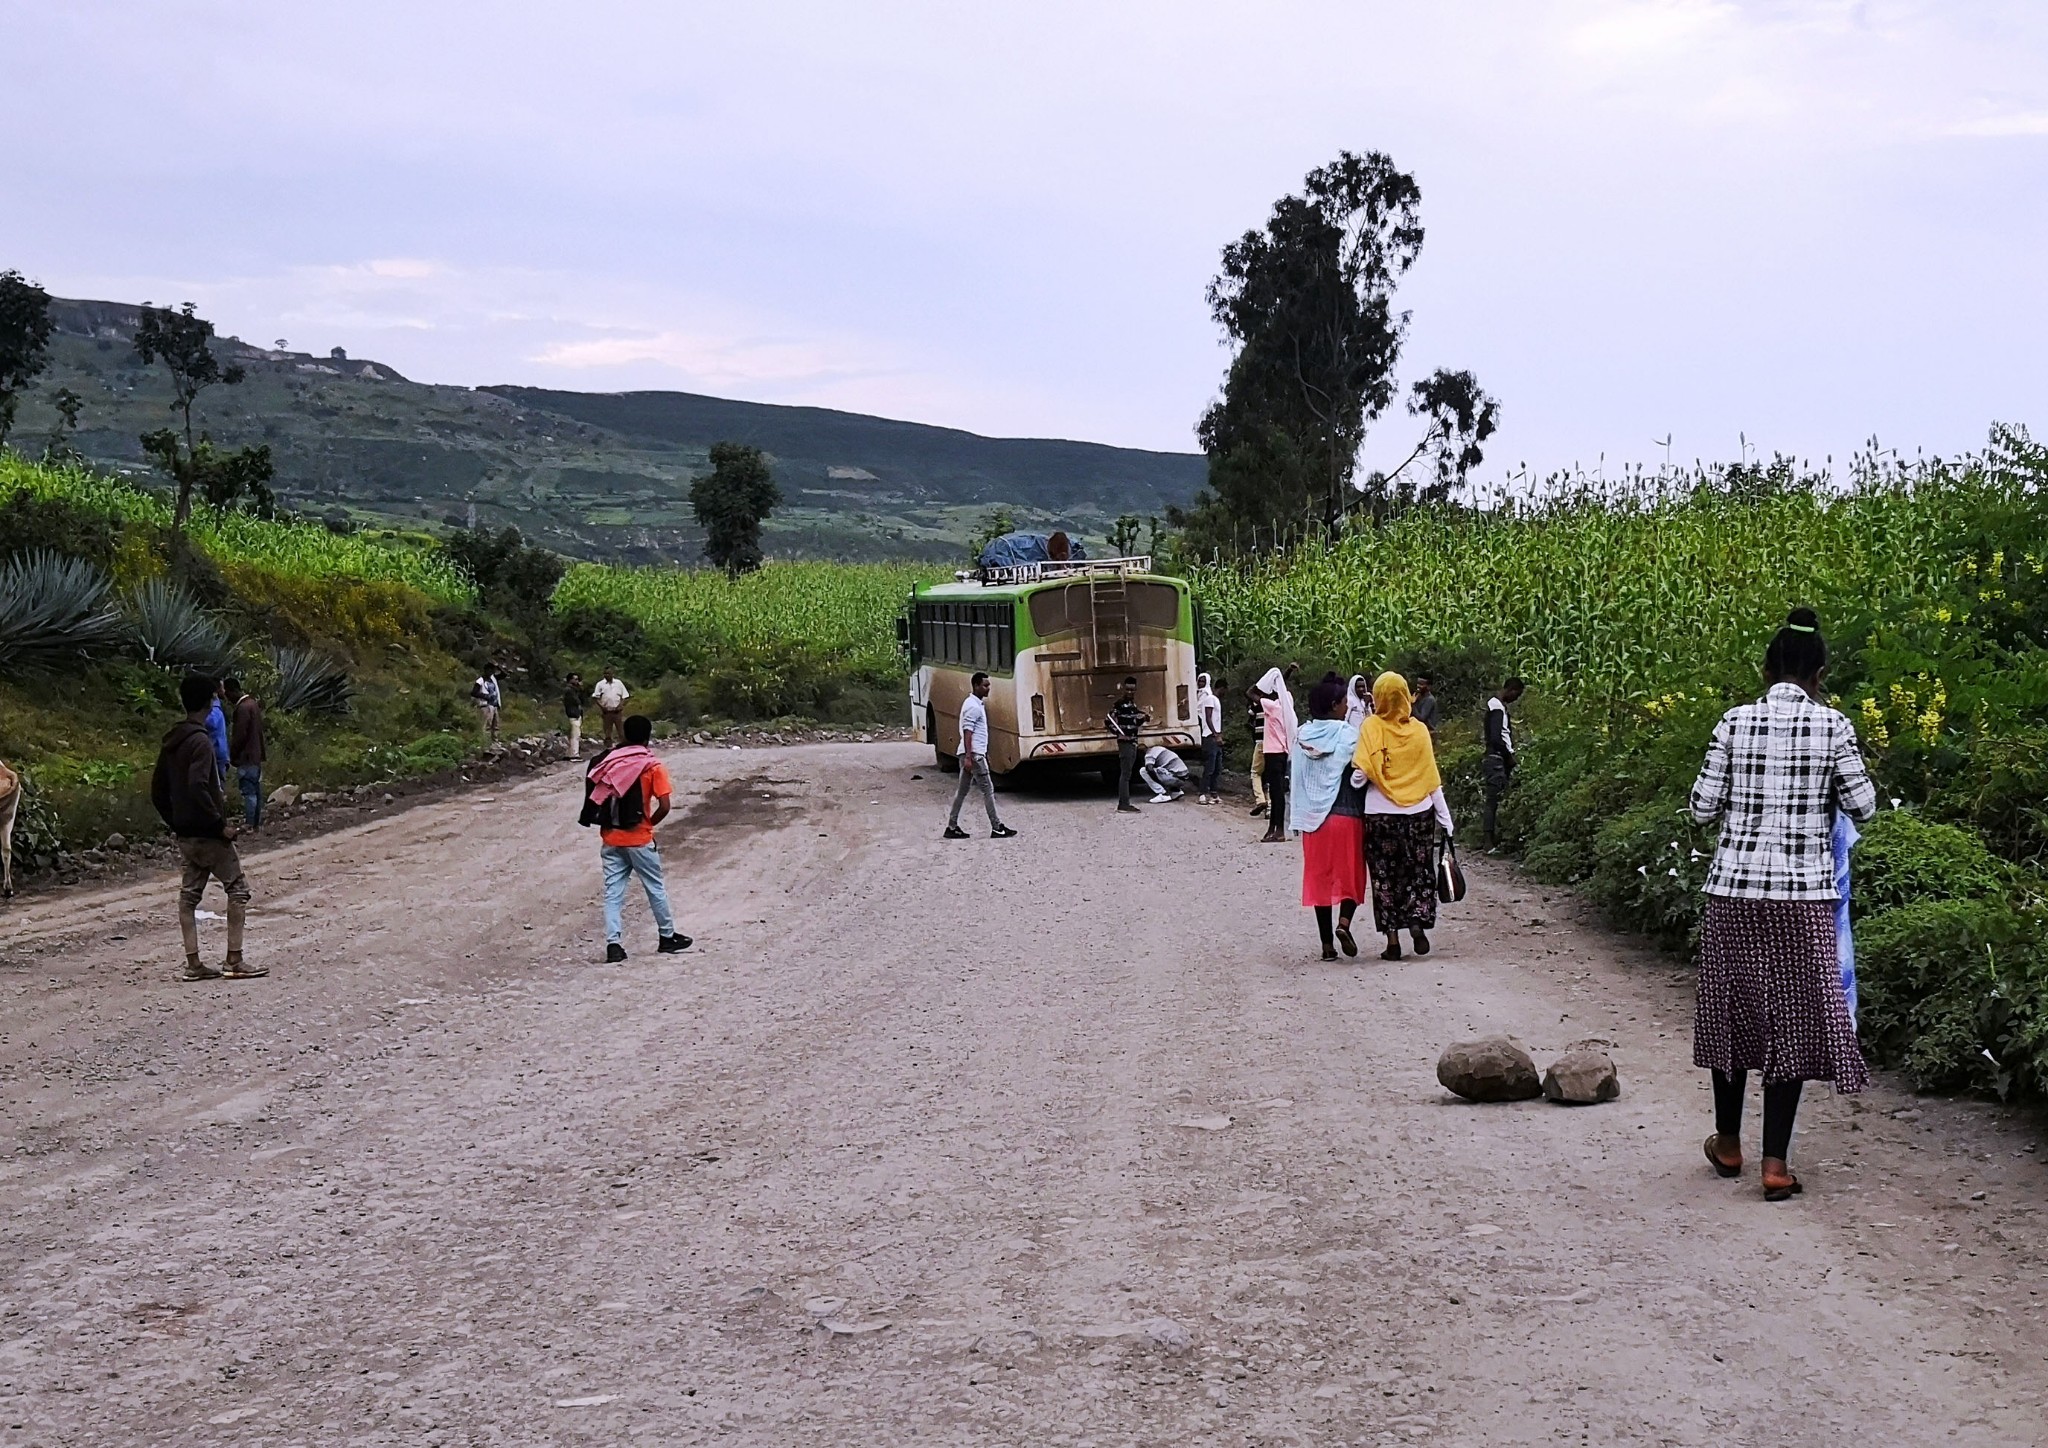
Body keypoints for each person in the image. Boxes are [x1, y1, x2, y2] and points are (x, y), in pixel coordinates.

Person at [1689, 608, 1877, 1203]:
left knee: (1733, 1013)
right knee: (1792, 1021)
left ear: (1766, 669)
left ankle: (1727, 1143)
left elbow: (1700, 808)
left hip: (1735, 893)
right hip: (1804, 897)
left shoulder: (1733, 723)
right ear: (1819, 672)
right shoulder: (1835, 727)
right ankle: (1775, 1164)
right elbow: (1864, 806)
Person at [152, 673, 263, 981]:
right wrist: (218, 825)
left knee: (188, 897)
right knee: (238, 889)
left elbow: (158, 792)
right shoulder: (201, 742)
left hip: (186, 834)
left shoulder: (172, 741)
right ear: (208, 703)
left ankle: (193, 963)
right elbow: (200, 785)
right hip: (208, 834)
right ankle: (234, 960)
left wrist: (177, 822)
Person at [1354, 672, 1454, 961]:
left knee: (1384, 877)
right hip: (1418, 814)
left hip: (1379, 816)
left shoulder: (1371, 727)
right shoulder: (1419, 731)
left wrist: (1362, 776)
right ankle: (1416, 920)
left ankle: (1393, 942)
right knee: (1418, 871)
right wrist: (1446, 821)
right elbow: (1431, 780)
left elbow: (1360, 776)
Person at [583, 713, 691, 963]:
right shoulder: (652, 766)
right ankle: (667, 937)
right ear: (648, 737)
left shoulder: (608, 761)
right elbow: (664, 806)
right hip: (639, 838)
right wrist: (649, 825)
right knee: (655, 888)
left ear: (623, 735)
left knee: (613, 893)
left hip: (610, 837)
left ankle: (614, 945)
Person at [1291, 675, 1365, 960]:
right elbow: (1360, 771)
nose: (1348, 706)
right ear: (1334, 705)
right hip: (1347, 816)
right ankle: (1344, 924)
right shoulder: (1348, 734)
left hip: (1313, 820)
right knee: (1352, 875)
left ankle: (1326, 946)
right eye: (1345, 702)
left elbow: (1295, 777)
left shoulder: (1301, 735)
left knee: (1320, 879)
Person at [944, 671, 1017, 840]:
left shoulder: (973, 704)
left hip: (973, 754)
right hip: (974, 755)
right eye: (985, 685)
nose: (988, 688)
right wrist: (971, 756)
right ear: (976, 686)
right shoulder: (973, 707)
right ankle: (996, 826)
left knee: (962, 791)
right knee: (988, 790)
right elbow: (968, 732)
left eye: (988, 685)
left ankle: (952, 826)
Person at [1255, 665, 1299, 843]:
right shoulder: (1286, 703)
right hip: (1282, 753)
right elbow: (1281, 688)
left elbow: (1250, 692)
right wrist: (1283, 674)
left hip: (1273, 753)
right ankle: (1273, 828)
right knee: (1277, 792)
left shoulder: (1272, 707)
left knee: (1276, 793)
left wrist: (1268, 678)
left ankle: (1278, 830)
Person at [1481, 676, 1526, 851]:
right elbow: (1496, 737)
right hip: (1497, 759)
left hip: (1496, 757)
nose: (1516, 699)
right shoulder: (1497, 707)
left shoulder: (1497, 707)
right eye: (1517, 695)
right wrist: (1508, 756)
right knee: (1493, 800)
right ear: (1511, 690)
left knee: (1496, 799)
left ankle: (1493, 839)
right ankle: (1488, 842)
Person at [225, 675, 265, 832]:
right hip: (255, 755)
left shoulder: (242, 708)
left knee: (248, 790)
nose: (227, 698)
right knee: (256, 789)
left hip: (246, 756)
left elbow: (240, 735)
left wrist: (232, 754)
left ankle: (249, 823)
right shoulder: (252, 704)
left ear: (232, 691)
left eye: (227, 693)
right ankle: (256, 822)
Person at [1105, 676, 1150, 813]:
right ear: (1124, 689)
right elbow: (1108, 720)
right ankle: (1123, 804)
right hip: (1126, 743)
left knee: (1128, 773)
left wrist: (1143, 720)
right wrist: (1119, 734)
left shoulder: (1133, 705)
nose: (1130, 692)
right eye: (1128, 689)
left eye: (1132, 689)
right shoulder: (1119, 704)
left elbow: (1133, 724)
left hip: (1133, 741)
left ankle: (1125, 802)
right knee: (1125, 774)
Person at [1194, 672, 1225, 803]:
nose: (1200, 684)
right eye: (1199, 681)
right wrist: (1215, 734)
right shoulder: (1208, 698)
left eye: (1202, 681)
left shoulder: (1213, 698)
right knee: (1210, 768)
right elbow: (1208, 717)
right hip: (1210, 736)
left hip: (1215, 736)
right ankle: (1202, 793)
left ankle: (1213, 793)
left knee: (1217, 768)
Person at [1245, 683, 1270, 818]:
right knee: (1270, 775)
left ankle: (1260, 800)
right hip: (1274, 745)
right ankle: (1270, 807)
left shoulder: (1258, 704)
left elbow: (1250, 718)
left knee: (1256, 773)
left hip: (1260, 743)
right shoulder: (1277, 704)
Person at [593, 667, 631, 750]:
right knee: (607, 731)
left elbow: (625, 696)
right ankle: (608, 748)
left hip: (617, 711)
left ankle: (624, 747)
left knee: (621, 730)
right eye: (605, 673)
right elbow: (596, 698)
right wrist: (602, 707)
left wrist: (621, 705)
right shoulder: (600, 684)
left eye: (608, 673)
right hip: (607, 711)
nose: (607, 675)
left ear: (612, 674)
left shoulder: (618, 683)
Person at [204, 679, 230, 786]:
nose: (224, 691)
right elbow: (211, 723)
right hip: (216, 752)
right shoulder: (214, 708)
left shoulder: (217, 707)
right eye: (222, 688)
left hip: (219, 753)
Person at [472, 665, 502, 744]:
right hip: (486, 705)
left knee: (496, 725)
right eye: (489, 670)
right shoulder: (480, 680)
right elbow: (474, 692)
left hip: (494, 705)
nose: (491, 672)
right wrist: (485, 696)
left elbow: (504, 674)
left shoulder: (493, 680)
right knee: (487, 725)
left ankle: (495, 741)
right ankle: (486, 742)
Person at [562, 671, 586, 759]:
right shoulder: (569, 690)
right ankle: (574, 754)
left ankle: (571, 752)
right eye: (575, 679)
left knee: (574, 734)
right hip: (573, 713)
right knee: (575, 734)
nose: (577, 681)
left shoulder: (574, 690)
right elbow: (577, 701)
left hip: (575, 713)